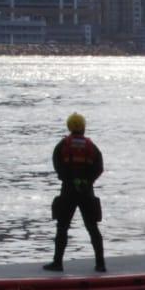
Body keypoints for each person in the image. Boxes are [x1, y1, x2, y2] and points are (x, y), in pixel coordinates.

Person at [44, 111, 107, 273]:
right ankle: (100, 264)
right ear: (84, 127)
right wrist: (88, 181)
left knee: (62, 226)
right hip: (86, 191)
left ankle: (57, 263)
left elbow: (57, 165)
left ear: (69, 127)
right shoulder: (91, 146)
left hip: (68, 191)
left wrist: (69, 179)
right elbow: (99, 167)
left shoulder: (62, 145)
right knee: (92, 227)